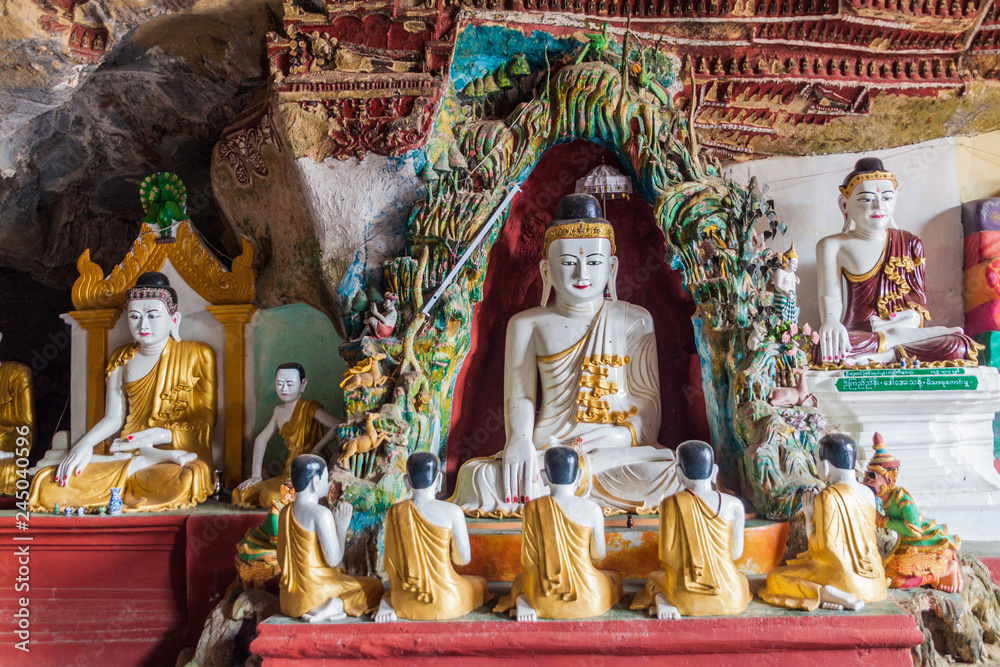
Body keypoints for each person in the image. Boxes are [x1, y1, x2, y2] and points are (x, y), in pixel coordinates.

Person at [453, 193, 678, 516]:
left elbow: (648, 406)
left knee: (671, 471)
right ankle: (563, 487)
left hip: (613, 453)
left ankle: (563, 490)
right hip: (548, 450)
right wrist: (519, 441)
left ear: (612, 267)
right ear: (546, 270)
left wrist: (616, 436)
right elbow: (521, 397)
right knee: (479, 477)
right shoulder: (527, 324)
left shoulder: (634, 319)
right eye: (569, 263)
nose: (581, 275)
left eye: (595, 263)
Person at [29, 272, 215, 511]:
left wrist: (161, 435)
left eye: (153, 316)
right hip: (125, 449)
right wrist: (84, 445)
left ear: (174, 320)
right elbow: (114, 417)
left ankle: (149, 458)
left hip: (172, 453)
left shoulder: (198, 354)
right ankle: (140, 461)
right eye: (135, 316)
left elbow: (205, 418)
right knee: (46, 482)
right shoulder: (122, 358)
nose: (143, 325)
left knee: (189, 476)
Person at [815, 157, 978, 366]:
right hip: (859, 334)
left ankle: (889, 352)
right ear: (845, 205)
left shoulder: (910, 243)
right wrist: (830, 321)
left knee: (957, 346)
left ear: (895, 200)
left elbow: (918, 303)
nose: (878, 205)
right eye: (866, 199)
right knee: (823, 349)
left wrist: (909, 319)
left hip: (902, 329)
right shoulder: (832, 245)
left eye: (887, 198)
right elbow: (831, 296)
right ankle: (893, 347)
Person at [761, 433, 888, 611]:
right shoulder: (868, 493)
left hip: (842, 578)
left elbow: (824, 549)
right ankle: (832, 591)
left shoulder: (827, 496)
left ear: (826, 465)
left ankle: (824, 592)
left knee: (775, 577)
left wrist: (808, 514)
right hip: (874, 581)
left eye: (817, 461)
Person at [494, 446, 623, 621]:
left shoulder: (533, 508)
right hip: (590, 597)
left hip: (543, 595)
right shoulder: (593, 509)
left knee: (520, 582)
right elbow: (599, 554)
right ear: (578, 476)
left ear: (544, 476)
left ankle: (525, 602)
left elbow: (528, 561)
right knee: (614, 579)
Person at [631, 440, 750, 618]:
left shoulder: (670, 503)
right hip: (731, 595)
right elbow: (735, 554)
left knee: (654, 579)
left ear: (678, 473)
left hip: (683, 594)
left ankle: (664, 601)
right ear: (714, 471)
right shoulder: (734, 504)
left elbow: (666, 555)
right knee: (741, 580)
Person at [374, 452, 491, 622]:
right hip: (446, 600)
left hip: (404, 598)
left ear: (407, 481)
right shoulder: (453, 512)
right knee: (480, 583)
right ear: (439, 480)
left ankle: (388, 604)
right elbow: (462, 559)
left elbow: (389, 564)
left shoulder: (395, 512)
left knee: (389, 593)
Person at [277, 454, 384, 622]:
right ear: (315, 482)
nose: (329, 484)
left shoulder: (285, 512)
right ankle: (335, 604)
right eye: (326, 479)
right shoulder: (321, 514)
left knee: (344, 578)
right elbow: (333, 560)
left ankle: (329, 605)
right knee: (374, 586)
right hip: (316, 593)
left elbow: (281, 558)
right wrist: (340, 528)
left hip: (289, 599)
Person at [863, 433, 962, 592]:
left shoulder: (902, 497)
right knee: (885, 571)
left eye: (872, 476)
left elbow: (913, 528)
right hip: (904, 543)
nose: (866, 481)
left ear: (888, 481)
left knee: (895, 580)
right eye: (867, 475)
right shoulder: (883, 499)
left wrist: (882, 521)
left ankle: (943, 570)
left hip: (922, 541)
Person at [233, 363, 340, 508]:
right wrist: (256, 475)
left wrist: (316, 449)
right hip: (288, 471)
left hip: (306, 473)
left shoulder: (309, 408)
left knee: (270, 496)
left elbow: (338, 425)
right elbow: (261, 439)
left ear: (303, 384)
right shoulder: (279, 411)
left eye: (289, 384)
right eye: (279, 384)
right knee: (241, 493)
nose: (284, 389)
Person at [0, 331, 33, 495]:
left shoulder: (17, 374)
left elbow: (26, 427)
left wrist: (10, 450)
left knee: (12, 470)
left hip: (7, 445)